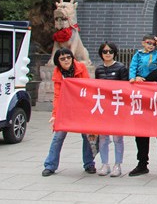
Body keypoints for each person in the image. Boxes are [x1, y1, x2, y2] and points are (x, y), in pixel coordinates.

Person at [42, 48, 96, 176]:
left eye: (68, 57)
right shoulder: (57, 73)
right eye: (62, 59)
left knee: (87, 136)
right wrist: (55, 115)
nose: (66, 60)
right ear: (58, 61)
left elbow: (87, 87)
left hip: (82, 108)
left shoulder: (81, 68)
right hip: (66, 108)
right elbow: (57, 95)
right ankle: (50, 165)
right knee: (58, 136)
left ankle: (89, 164)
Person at [128, 31, 157, 178]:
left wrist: (143, 80)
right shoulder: (140, 55)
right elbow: (133, 67)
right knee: (141, 132)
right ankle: (142, 164)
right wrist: (134, 78)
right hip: (143, 98)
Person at [94, 42, 128, 177]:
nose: (108, 54)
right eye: (105, 51)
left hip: (117, 107)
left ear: (114, 53)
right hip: (103, 107)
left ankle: (117, 165)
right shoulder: (98, 69)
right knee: (103, 137)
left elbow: (125, 88)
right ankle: (104, 164)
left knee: (117, 138)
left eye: (110, 51)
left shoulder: (121, 68)